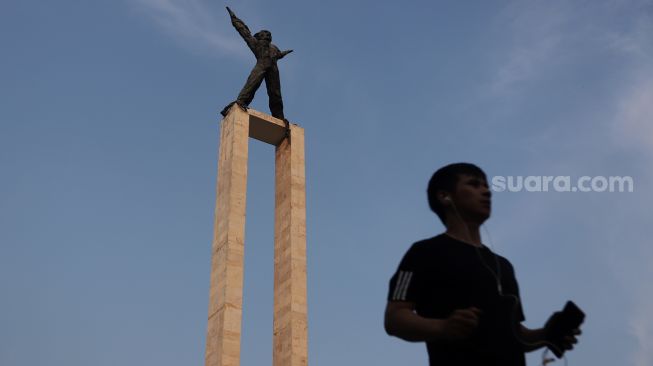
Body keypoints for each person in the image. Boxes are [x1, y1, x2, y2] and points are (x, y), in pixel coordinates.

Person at [384, 163, 581, 365]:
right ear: (445, 196)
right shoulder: (424, 252)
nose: (486, 192)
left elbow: (515, 335)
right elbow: (394, 318)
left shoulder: (503, 265)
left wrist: (547, 334)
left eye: (486, 186)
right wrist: (443, 327)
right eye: (474, 184)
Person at [221, 7, 293, 121]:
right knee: (252, 84)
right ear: (259, 36)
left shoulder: (274, 47)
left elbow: (278, 55)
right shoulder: (256, 43)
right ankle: (241, 101)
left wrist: (284, 53)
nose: (268, 35)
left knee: (276, 93)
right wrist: (235, 20)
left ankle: (278, 116)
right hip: (261, 66)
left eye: (269, 34)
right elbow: (244, 32)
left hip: (273, 69)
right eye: (265, 33)